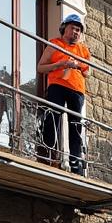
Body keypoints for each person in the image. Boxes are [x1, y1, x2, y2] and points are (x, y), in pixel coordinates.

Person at [37, 14, 92, 174]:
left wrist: (78, 65)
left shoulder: (83, 50)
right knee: (53, 118)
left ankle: (75, 162)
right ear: (64, 28)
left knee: (75, 125)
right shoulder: (55, 44)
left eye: (79, 30)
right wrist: (60, 64)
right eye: (73, 28)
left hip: (77, 90)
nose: (76, 32)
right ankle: (49, 155)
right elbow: (40, 68)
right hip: (58, 86)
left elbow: (87, 72)